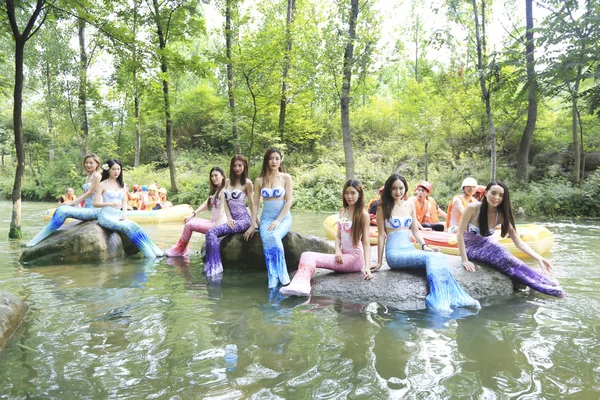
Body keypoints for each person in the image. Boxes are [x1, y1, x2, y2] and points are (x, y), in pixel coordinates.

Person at [372, 174, 480, 313]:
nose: (398, 192)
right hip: (394, 253)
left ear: (405, 189)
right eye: (394, 188)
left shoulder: (409, 205)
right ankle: (438, 299)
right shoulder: (382, 208)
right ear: (388, 189)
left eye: (401, 188)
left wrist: (425, 247)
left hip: (409, 248)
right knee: (431, 258)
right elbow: (381, 236)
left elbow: (416, 231)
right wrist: (380, 262)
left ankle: (451, 297)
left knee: (438, 256)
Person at [457, 181, 565, 297]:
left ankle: (542, 280)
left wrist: (539, 258)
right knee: (503, 258)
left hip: (488, 243)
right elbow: (460, 234)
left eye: (501, 195)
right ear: (486, 193)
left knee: (510, 258)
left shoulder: (501, 214)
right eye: (493, 193)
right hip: (471, 247)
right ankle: (539, 285)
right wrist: (465, 260)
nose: (496, 198)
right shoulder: (473, 208)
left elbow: (517, 241)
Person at [280, 179, 372, 297]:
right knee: (305, 255)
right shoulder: (343, 211)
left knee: (308, 255)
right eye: (347, 192)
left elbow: (366, 243)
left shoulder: (363, 214)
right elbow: (338, 236)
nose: (349, 196)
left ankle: (301, 286)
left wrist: (367, 268)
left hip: (354, 259)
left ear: (359, 195)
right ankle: (298, 285)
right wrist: (337, 251)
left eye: (353, 193)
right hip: (342, 256)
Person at [27, 153, 103, 247]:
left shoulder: (97, 175)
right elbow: (84, 195)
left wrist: (72, 203)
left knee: (63, 211)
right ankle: (38, 238)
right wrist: (74, 204)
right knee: (61, 208)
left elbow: (90, 193)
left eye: (91, 163)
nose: (88, 165)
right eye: (86, 163)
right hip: (87, 208)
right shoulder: (87, 177)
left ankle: (35, 241)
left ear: (97, 164)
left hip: (95, 210)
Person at [244, 147, 293, 288]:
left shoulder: (286, 178)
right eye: (271, 158)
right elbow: (255, 204)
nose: (274, 161)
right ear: (266, 160)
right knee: (266, 239)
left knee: (275, 237)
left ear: (280, 160)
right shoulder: (259, 181)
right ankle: (273, 277)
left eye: (277, 158)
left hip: (283, 218)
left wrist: (278, 220)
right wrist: (253, 225)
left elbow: (289, 201)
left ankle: (284, 278)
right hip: (266, 219)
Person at [94, 159, 163, 258]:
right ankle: (148, 254)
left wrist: (124, 213)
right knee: (126, 228)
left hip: (118, 214)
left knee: (134, 225)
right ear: (108, 170)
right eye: (113, 169)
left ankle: (154, 249)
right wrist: (109, 203)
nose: (116, 171)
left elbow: (124, 202)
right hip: (106, 215)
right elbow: (95, 203)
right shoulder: (102, 184)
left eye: (118, 169)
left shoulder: (122, 185)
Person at [203, 154, 254, 277]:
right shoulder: (227, 182)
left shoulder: (247, 183)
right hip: (232, 220)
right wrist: (229, 218)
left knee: (211, 233)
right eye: (235, 165)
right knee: (211, 233)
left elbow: (252, 205)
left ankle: (215, 268)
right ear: (231, 167)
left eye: (240, 165)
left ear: (244, 166)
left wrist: (253, 225)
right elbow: (225, 202)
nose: (237, 168)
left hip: (243, 220)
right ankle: (212, 266)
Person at [165, 167, 227, 257]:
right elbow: (206, 204)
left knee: (189, 225)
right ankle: (181, 248)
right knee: (190, 221)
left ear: (223, 177)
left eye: (216, 175)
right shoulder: (217, 190)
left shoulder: (223, 191)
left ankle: (180, 250)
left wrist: (216, 229)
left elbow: (222, 212)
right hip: (213, 222)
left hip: (219, 225)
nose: (213, 178)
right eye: (212, 176)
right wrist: (192, 214)